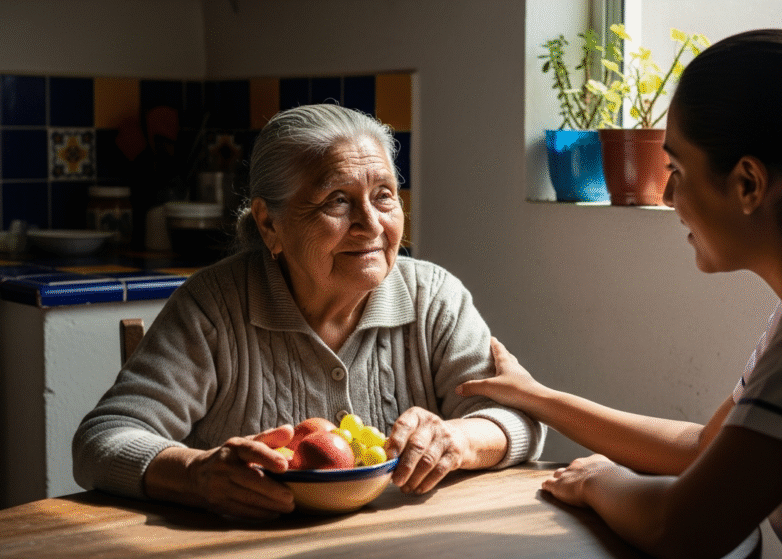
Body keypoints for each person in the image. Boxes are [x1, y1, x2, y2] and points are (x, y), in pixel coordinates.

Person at [458, 29, 782, 558]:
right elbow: (705, 448)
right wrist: (536, 396)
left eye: (678, 170)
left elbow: (683, 530)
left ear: (749, 184)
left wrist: (599, 482)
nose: (667, 196)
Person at [73, 104, 544, 520]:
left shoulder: (434, 297)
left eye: (384, 194)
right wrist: (195, 472)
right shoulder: (214, 305)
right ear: (269, 223)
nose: (371, 223)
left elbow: (519, 417)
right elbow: (102, 441)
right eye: (337, 200)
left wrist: (457, 440)